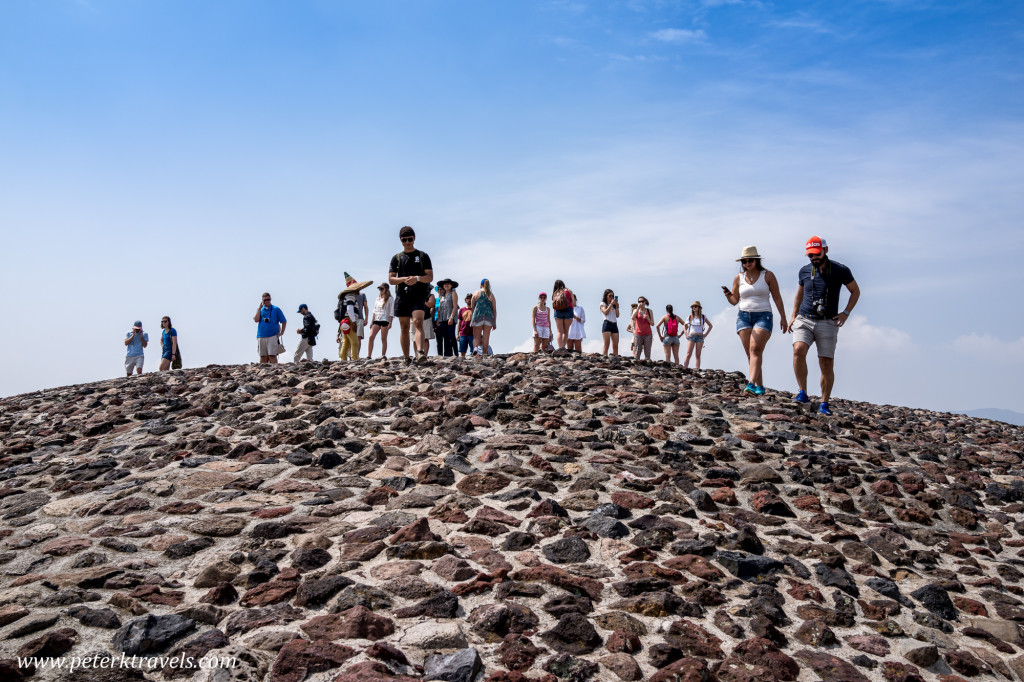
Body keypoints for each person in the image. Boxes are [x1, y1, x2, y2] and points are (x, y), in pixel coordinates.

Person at [789, 236, 860, 416]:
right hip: (805, 318)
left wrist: (846, 313)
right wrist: (793, 316)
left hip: (828, 321)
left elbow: (855, 291)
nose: (813, 258)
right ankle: (802, 392)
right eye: (810, 255)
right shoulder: (804, 271)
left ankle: (824, 403)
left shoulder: (840, 270)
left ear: (825, 250)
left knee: (826, 363)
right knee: (798, 350)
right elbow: (800, 293)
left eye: (816, 254)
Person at [722, 246, 789, 396]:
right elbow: (734, 300)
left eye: (750, 260)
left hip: (763, 315)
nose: (747, 263)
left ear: (757, 260)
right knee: (750, 354)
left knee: (755, 350)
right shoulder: (738, 277)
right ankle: (760, 386)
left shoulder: (768, 275)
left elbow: (777, 297)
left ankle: (751, 384)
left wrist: (783, 318)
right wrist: (727, 294)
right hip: (743, 316)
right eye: (744, 261)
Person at [389, 226, 433, 360]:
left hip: (418, 294)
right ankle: (407, 357)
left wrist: (417, 279)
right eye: (404, 240)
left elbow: (430, 277)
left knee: (418, 322)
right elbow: (391, 279)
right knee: (404, 327)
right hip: (402, 295)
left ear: (414, 239)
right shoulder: (396, 258)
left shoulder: (423, 256)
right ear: (401, 240)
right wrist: (403, 279)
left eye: (410, 239)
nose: (407, 242)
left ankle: (420, 352)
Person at [254, 293, 287, 364]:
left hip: (272, 335)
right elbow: (256, 320)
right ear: (262, 301)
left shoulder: (276, 309)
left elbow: (284, 321)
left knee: (272, 355)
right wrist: (259, 308)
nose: (267, 301)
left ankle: (275, 370)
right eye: (265, 300)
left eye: (268, 299)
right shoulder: (260, 310)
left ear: (270, 299)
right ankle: (263, 371)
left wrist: (282, 333)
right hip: (261, 336)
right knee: (263, 356)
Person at [367, 283, 394, 359]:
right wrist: (372, 322)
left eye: (382, 289)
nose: (380, 290)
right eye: (379, 289)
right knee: (371, 337)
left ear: (386, 289)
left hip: (385, 320)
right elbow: (374, 311)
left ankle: (383, 355)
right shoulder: (377, 298)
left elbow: (392, 312)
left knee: (383, 338)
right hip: (377, 320)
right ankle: (369, 355)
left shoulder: (390, 299)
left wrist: (390, 322)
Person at [470, 278, 497, 356]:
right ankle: (484, 354)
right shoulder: (491, 295)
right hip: (489, 318)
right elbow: (494, 310)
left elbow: (472, 307)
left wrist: (473, 318)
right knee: (486, 338)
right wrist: (494, 322)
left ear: (480, 285)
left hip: (478, 316)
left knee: (476, 337)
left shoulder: (476, 293)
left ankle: (476, 350)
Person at [683, 301, 712, 369]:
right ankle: (685, 368)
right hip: (692, 336)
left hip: (700, 337)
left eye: (695, 306)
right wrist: (686, 334)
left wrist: (705, 334)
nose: (694, 308)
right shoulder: (690, 317)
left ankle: (697, 369)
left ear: (699, 308)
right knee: (688, 354)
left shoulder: (703, 317)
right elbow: (684, 325)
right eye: (693, 307)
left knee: (698, 355)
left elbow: (710, 325)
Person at [435, 279, 459, 356]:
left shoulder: (453, 293)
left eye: (448, 284)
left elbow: (455, 306)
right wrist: (438, 318)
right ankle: (447, 354)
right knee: (445, 337)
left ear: (451, 285)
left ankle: (456, 354)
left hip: (450, 317)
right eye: (445, 284)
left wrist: (451, 317)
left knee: (452, 336)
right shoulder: (442, 295)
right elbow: (439, 308)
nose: (446, 285)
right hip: (442, 318)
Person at [550, 280, 574, 350]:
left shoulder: (555, 293)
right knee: (566, 331)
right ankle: (563, 347)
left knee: (559, 331)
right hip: (568, 310)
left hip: (558, 311)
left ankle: (560, 348)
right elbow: (574, 303)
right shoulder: (568, 291)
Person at [599, 289, 620, 356]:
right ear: (606, 296)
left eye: (612, 296)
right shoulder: (603, 304)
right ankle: (604, 358)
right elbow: (605, 312)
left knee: (615, 345)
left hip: (614, 324)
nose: (611, 297)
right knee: (606, 344)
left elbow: (617, 315)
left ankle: (615, 359)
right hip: (607, 323)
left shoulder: (614, 305)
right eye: (610, 296)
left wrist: (616, 306)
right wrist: (611, 304)